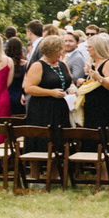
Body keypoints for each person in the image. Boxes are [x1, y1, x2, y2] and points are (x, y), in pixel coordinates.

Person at [21, 35, 73, 164]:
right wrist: (50, 92)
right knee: (41, 139)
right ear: (51, 51)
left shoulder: (62, 64)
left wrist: (72, 87)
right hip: (41, 108)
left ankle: (57, 170)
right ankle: (36, 173)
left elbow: (68, 81)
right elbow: (28, 88)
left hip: (59, 107)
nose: (61, 53)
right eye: (59, 51)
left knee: (59, 137)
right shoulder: (38, 66)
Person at [77, 34, 109, 150]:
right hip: (91, 108)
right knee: (91, 143)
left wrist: (99, 78)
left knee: (102, 143)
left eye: (90, 47)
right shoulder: (92, 64)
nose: (87, 49)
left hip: (103, 109)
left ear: (97, 48)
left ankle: (105, 167)